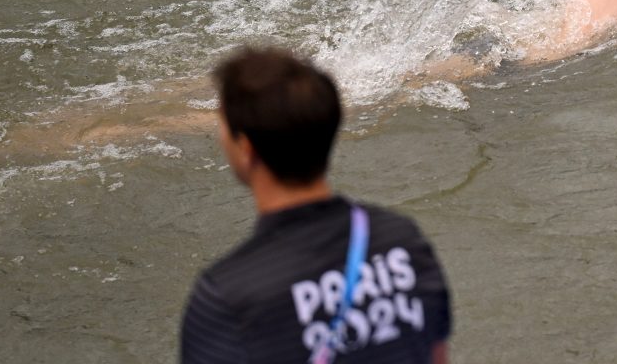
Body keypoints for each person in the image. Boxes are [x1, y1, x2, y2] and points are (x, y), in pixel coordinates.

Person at [181, 47, 452, 364]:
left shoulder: (226, 295)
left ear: (246, 149)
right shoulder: (403, 241)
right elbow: (436, 356)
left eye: (224, 126)